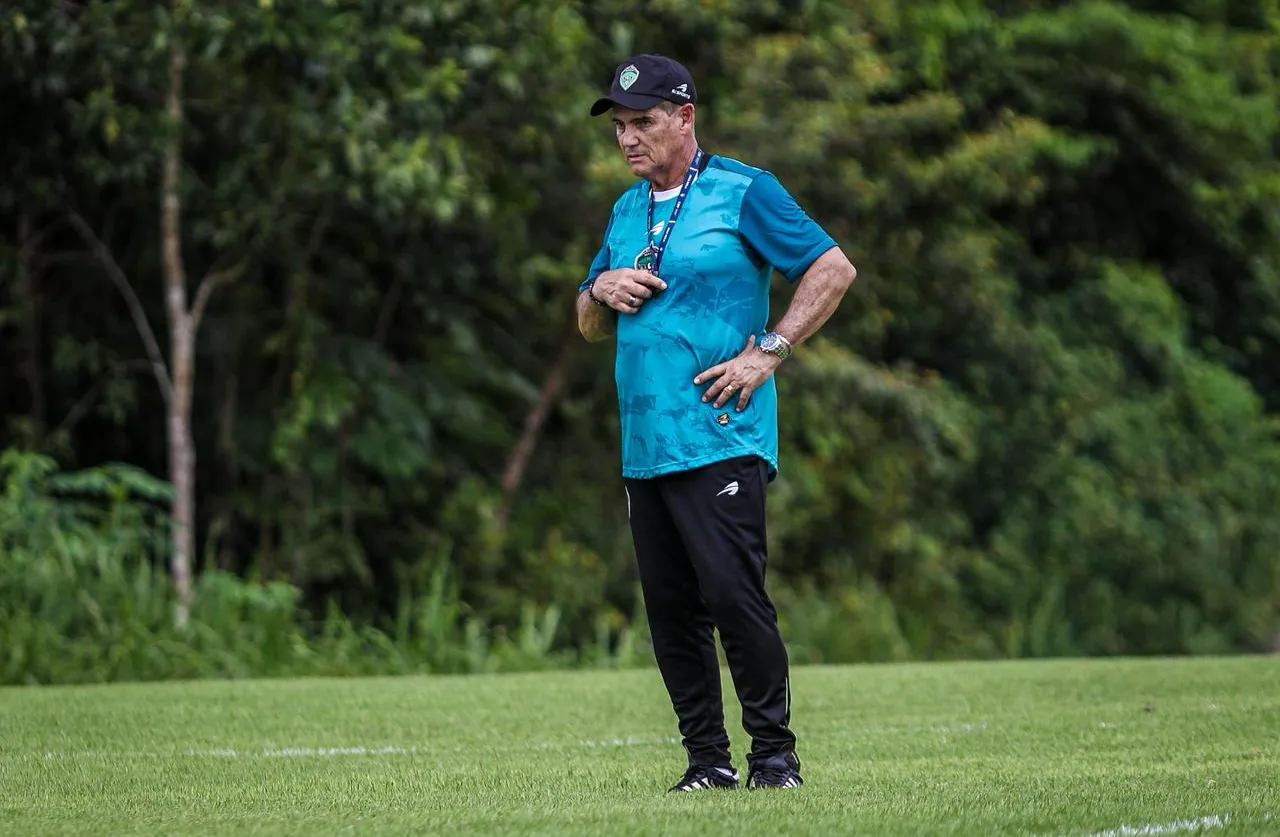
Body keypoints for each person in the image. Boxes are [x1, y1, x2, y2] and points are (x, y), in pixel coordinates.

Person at [575, 54, 857, 792]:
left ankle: (775, 759)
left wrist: (770, 350)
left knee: (734, 598)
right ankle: (708, 763)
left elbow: (832, 269)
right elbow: (586, 323)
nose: (629, 140)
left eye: (644, 123)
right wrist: (600, 287)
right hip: (646, 444)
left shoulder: (743, 189)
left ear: (685, 117)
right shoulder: (625, 209)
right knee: (672, 615)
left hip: (721, 434)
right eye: (621, 128)